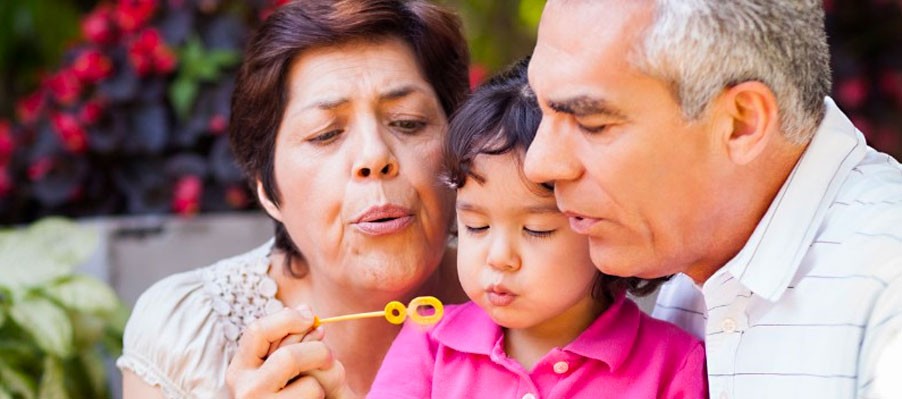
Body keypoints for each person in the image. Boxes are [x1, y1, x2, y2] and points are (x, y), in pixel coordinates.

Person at [524, 1, 902, 398]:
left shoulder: (886, 289)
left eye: (592, 124)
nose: (539, 164)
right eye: (541, 109)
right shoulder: (690, 250)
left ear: (740, 124)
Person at [116, 0, 471, 397]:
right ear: (268, 190)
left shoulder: (533, 302)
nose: (375, 156)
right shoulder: (190, 334)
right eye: (325, 134)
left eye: (408, 122)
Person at [366, 59, 707, 398]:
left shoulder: (672, 366)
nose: (499, 258)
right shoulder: (430, 342)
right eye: (476, 226)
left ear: (604, 222)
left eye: (536, 229)